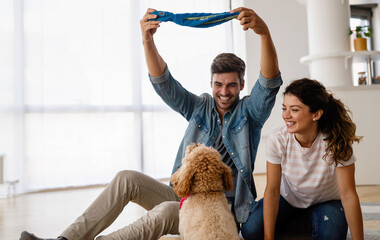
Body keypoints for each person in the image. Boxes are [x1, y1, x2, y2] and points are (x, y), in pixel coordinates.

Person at [20, 7, 282, 240]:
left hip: (219, 208)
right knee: (126, 178)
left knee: (167, 211)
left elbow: (269, 84)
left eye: (231, 85)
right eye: (218, 84)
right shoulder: (200, 106)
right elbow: (164, 83)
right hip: (183, 196)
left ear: (241, 85)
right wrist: (147, 39)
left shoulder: (250, 113)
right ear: (211, 83)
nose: (224, 91)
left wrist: (264, 34)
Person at [241, 79, 364, 240]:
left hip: (326, 202)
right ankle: (304, 225)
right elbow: (272, 191)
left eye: (294, 109)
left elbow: (348, 194)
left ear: (316, 114)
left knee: (331, 236)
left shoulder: (336, 141)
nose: (286, 115)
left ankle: (306, 224)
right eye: (284, 108)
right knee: (250, 231)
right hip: (288, 199)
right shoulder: (278, 139)